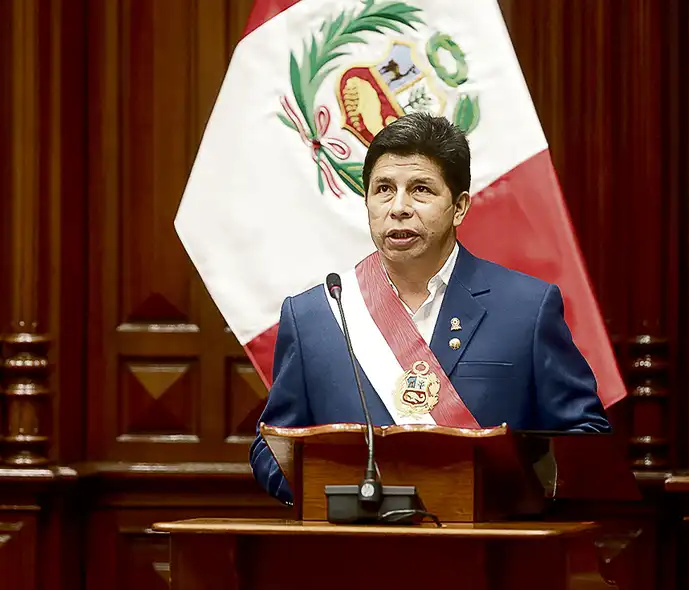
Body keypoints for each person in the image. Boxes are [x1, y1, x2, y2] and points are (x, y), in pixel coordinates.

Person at [249, 112, 610, 505]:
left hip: (489, 538)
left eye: (420, 189)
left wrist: (516, 498)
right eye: (383, 189)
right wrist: (341, 496)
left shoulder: (527, 308)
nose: (398, 207)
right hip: (358, 537)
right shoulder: (315, 315)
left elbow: (584, 438)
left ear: (459, 207)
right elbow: (272, 449)